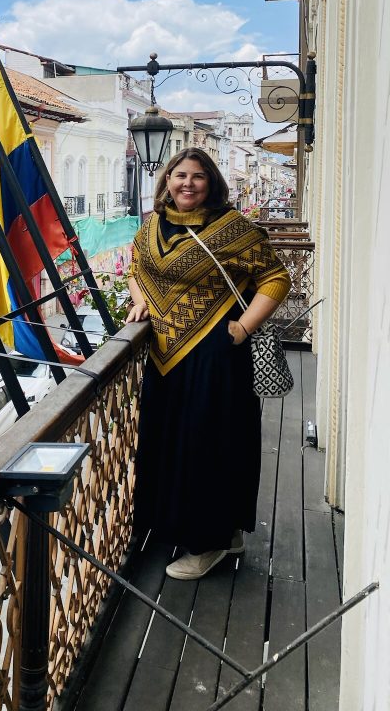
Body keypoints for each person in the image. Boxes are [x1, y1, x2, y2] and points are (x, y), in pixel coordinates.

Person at [125, 148, 291, 580]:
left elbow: (276, 277)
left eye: (198, 177)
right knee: (172, 446)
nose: (187, 184)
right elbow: (136, 269)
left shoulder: (232, 228)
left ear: (211, 183)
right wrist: (141, 302)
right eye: (180, 176)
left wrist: (242, 328)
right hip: (165, 358)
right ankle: (216, 531)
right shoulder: (151, 227)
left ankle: (207, 542)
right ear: (167, 181)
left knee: (208, 447)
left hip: (216, 359)